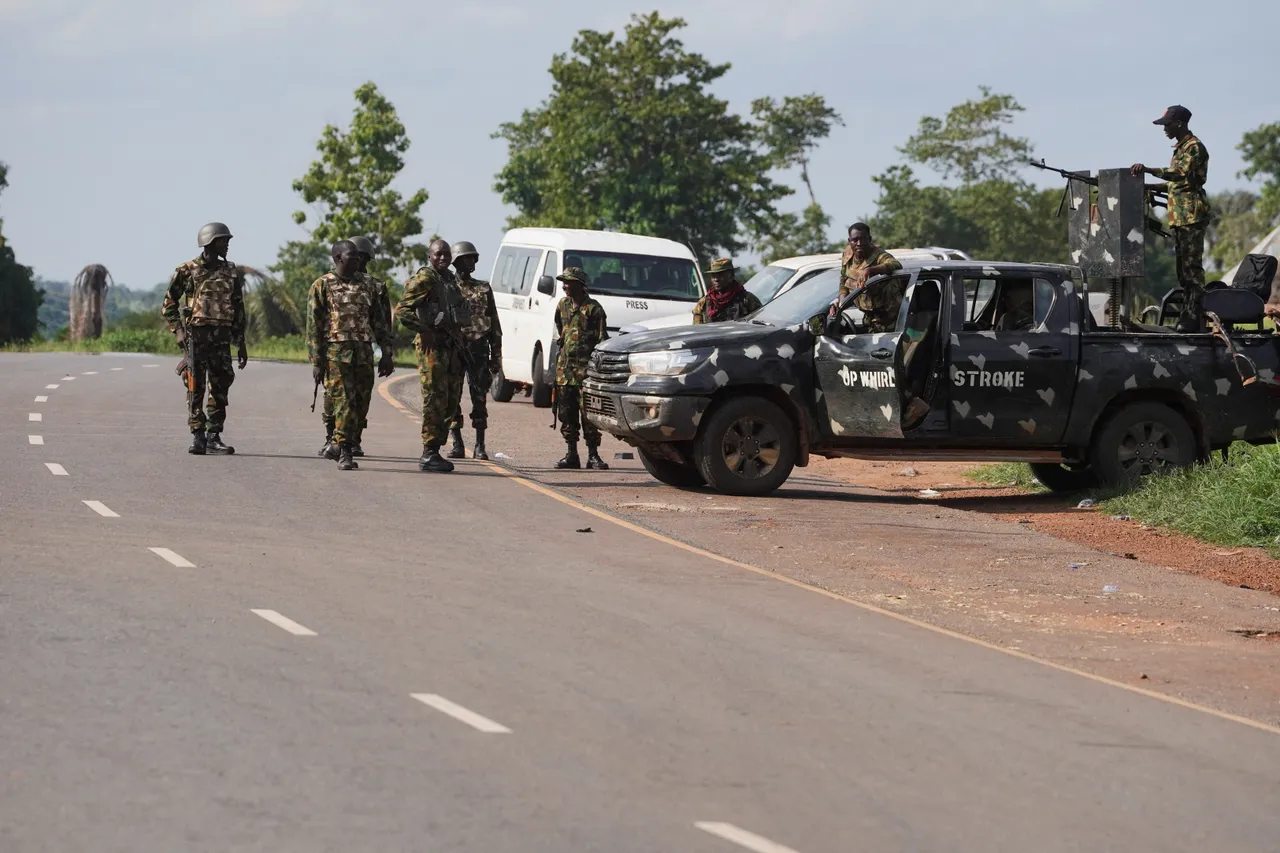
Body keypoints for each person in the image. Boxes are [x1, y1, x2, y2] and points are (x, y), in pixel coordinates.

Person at [161, 221, 248, 455]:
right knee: (195, 386)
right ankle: (197, 434)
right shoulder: (187, 270)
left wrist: (241, 343)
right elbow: (169, 303)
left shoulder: (231, 271)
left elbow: (238, 309)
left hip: (221, 340)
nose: (227, 245)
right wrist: (178, 330)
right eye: (223, 240)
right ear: (209, 243)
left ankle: (213, 435)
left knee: (220, 386)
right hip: (196, 338)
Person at [306, 240, 394, 471]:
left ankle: (339, 443)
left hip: (363, 351)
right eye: (352, 256)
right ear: (337, 258)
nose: (357, 260)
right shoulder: (322, 285)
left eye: (358, 256)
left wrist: (387, 353)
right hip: (336, 352)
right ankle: (345, 451)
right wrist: (317, 360)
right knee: (343, 400)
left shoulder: (369, 285)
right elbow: (313, 327)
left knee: (360, 402)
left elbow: (381, 323)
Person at [1132, 105, 1210, 333]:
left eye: (1167, 124)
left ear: (1180, 123)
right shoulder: (1181, 148)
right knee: (1183, 271)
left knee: (1192, 271)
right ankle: (1188, 316)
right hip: (1181, 217)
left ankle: (1192, 318)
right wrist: (1148, 187)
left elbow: (1180, 175)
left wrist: (1148, 169)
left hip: (1191, 216)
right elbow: (1174, 183)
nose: (1164, 129)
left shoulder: (1194, 147)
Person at [395, 239, 463, 473]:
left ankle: (436, 448)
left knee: (450, 401)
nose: (443, 258)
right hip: (432, 350)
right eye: (438, 255)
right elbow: (402, 309)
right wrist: (424, 330)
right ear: (429, 256)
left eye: (446, 254)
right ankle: (429, 452)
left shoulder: (450, 280)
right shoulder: (425, 278)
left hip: (451, 347)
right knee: (434, 399)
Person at [446, 241, 502, 461]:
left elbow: (494, 323)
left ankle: (480, 445)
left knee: (479, 398)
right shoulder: (448, 286)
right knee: (453, 397)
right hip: (455, 348)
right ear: (457, 261)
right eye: (467, 258)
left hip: (479, 348)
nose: (472, 262)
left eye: (473, 258)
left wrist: (497, 355)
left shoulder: (484, 288)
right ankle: (457, 443)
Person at [552, 267, 609, 470]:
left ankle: (593, 455)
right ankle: (571, 454)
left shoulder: (594, 309)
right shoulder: (563, 305)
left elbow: (603, 342)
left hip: (586, 374)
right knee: (567, 415)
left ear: (580, 284)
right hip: (565, 373)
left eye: (568, 282)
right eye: (564, 282)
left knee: (589, 415)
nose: (564, 286)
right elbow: (561, 331)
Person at [832, 223, 904, 333]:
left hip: (888, 317)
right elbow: (844, 279)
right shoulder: (847, 255)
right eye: (855, 240)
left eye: (863, 239)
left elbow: (895, 264)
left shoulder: (878, 254)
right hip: (868, 316)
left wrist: (870, 270)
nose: (859, 244)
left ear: (869, 239)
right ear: (849, 240)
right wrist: (841, 304)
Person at [692, 258, 762, 323]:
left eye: (720, 275)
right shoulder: (703, 303)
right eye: (713, 276)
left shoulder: (747, 299)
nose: (716, 279)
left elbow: (760, 325)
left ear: (731, 276)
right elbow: (697, 331)